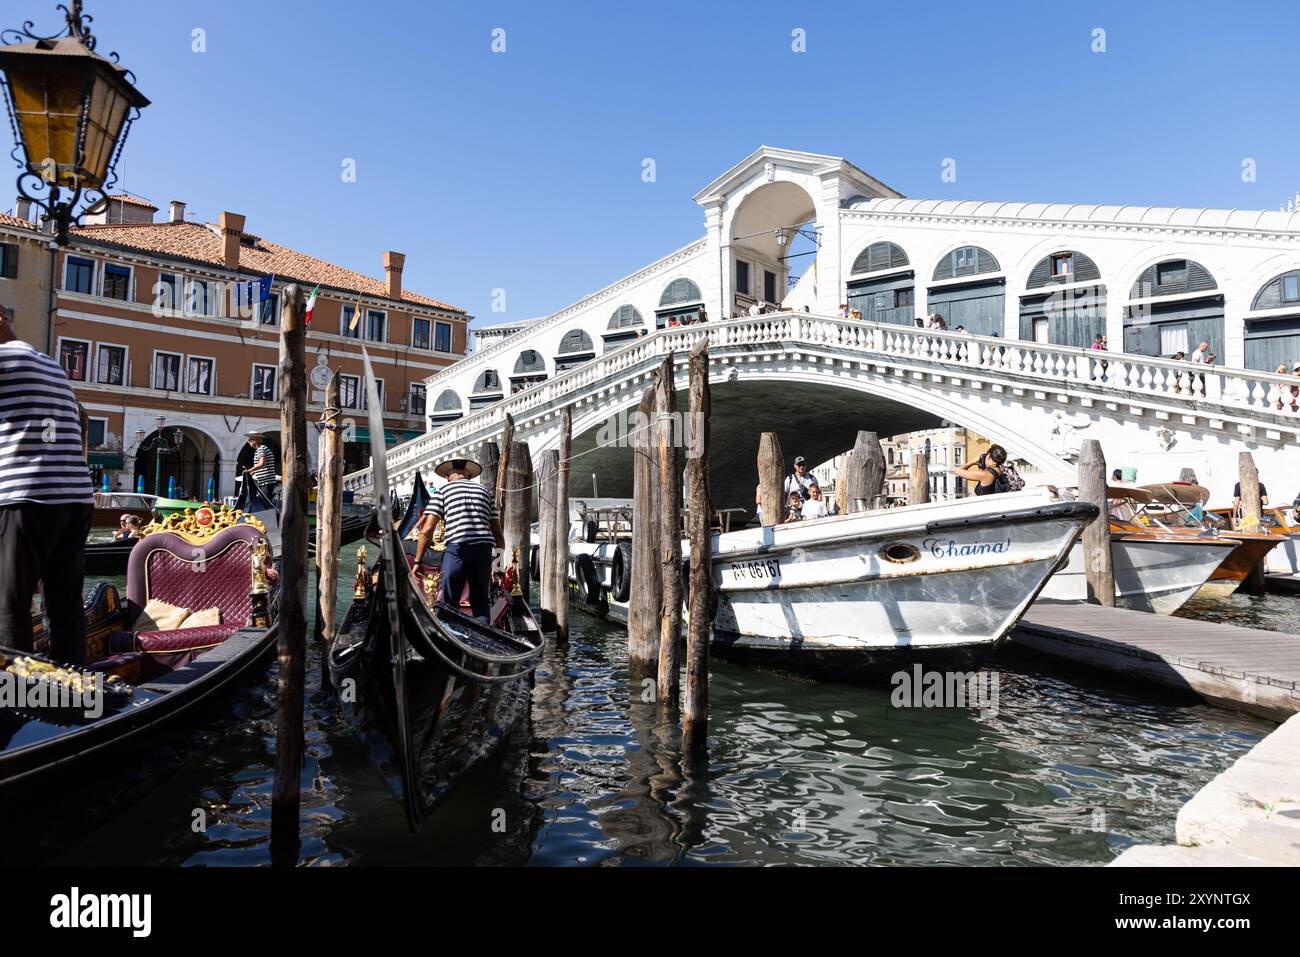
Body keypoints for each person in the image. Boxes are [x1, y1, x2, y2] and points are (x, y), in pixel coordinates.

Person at [0, 302, 95, 661]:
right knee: (64, 602)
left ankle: (17, 703)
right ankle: (70, 684)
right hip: (74, 497)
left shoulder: (5, 359)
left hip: (27, 495)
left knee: (8, 603)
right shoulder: (48, 364)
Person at [413, 457, 504, 623]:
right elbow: (499, 536)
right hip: (483, 552)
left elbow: (426, 531)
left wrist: (418, 561)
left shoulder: (443, 491)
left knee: (449, 604)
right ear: (468, 475)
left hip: (457, 552)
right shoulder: (486, 492)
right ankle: (481, 642)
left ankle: (449, 640)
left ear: (448, 478)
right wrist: (498, 565)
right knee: (481, 603)